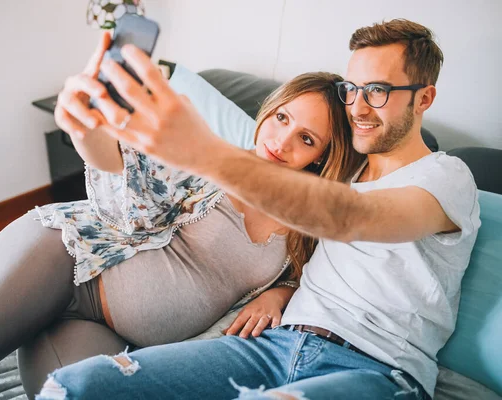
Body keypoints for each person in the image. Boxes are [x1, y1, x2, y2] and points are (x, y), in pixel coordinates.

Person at [0, 30, 363, 399]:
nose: (282, 142)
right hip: (63, 261)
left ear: (323, 157)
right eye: (282, 118)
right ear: (268, 111)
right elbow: (129, 182)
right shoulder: (211, 160)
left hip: (97, 331)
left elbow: (317, 279)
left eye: (306, 138)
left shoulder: (310, 225)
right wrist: (86, 127)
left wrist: (280, 293)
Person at [35, 19, 481, 400]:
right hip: (275, 347)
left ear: (424, 99)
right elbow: (295, 236)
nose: (358, 107)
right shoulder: (331, 174)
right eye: (352, 89)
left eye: (378, 91)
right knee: (78, 385)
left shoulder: (445, 178)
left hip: (379, 369)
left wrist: (202, 150)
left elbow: (352, 218)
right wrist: (284, 292)